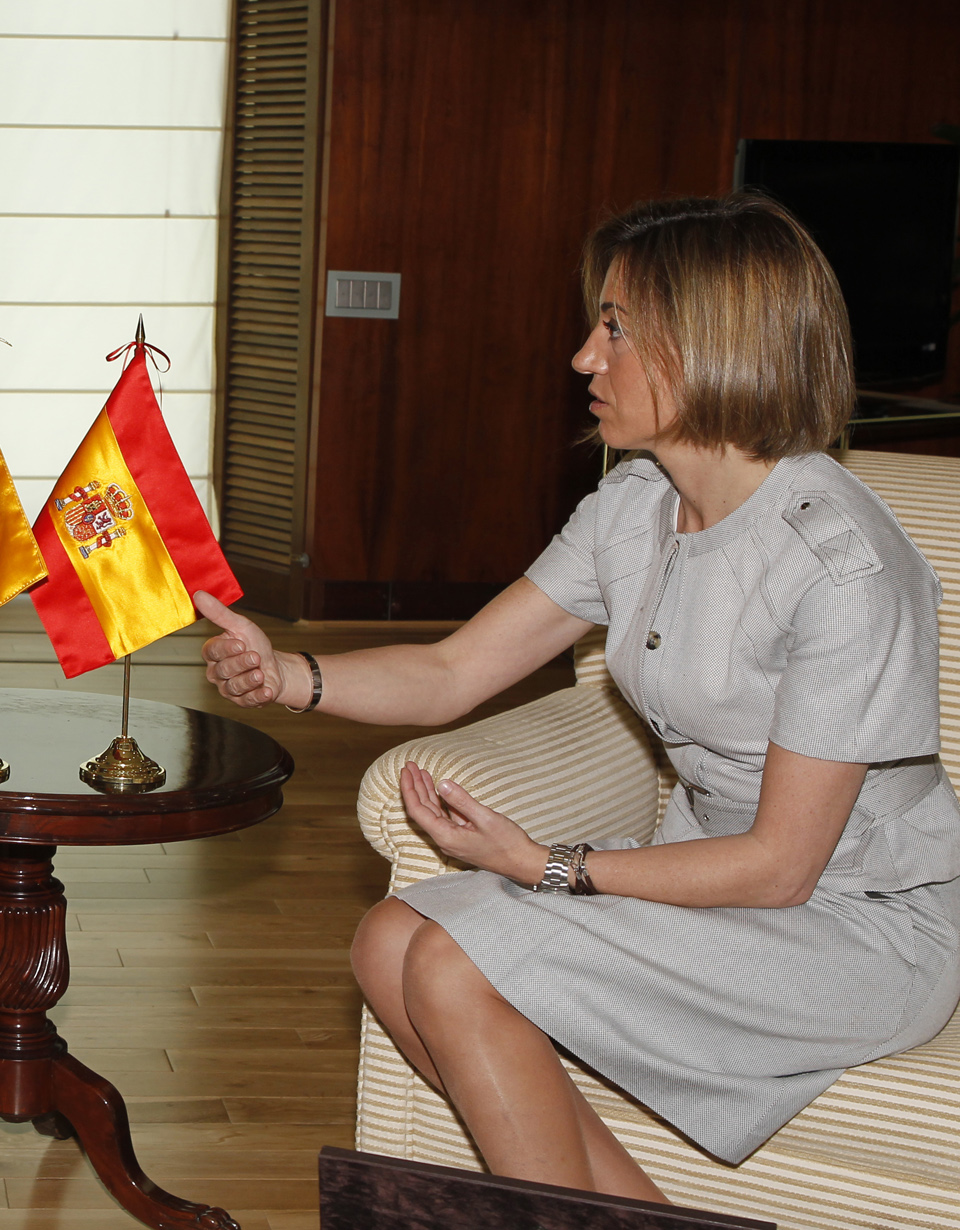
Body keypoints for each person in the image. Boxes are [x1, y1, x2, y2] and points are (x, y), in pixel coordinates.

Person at [195, 194, 960, 1200]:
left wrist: (546, 865)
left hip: (856, 925)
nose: (583, 357)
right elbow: (453, 671)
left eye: (615, 328)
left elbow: (780, 867)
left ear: (712, 342)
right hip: (712, 879)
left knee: (449, 964)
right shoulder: (633, 507)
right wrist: (289, 675)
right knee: (387, 941)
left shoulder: (838, 566)